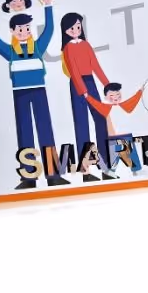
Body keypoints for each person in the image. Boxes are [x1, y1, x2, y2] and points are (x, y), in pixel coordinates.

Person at [0, 0, 69, 189]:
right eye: (19, 29)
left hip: (39, 91)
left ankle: (53, 175)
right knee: (25, 131)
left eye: (27, 28)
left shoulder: (37, 47)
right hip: (20, 92)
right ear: (12, 31)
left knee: (45, 130)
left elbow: (49, 30)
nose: (24, 32)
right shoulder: (10, 51)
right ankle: (29, 177)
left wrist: (48, 6)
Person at [60, 12, 111, 174]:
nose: (76, 30)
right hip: (77, 85)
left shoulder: (86, 45)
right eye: (72, 28)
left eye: (78, 27)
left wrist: (108, 85)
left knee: (100, 117)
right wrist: (83, 91)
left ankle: (105, 158)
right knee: (81, 122)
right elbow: (73, 71)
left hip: (90, 81)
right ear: (65, 30)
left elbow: (95, 65)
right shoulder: (67, 48)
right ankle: (84, 162)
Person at [85, 83, 143, 174]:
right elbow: (95, 104)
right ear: (106, 97)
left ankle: (135, 170)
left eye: (118, 94)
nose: (115, 97)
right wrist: (87, 97)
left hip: (126, 135)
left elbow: (134, 100)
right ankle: (111, 170)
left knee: (131, 153)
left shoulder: (125, 105)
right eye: (111, 95)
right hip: (113, 137)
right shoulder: (106, 108)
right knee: (113, 155)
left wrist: (140, 92)